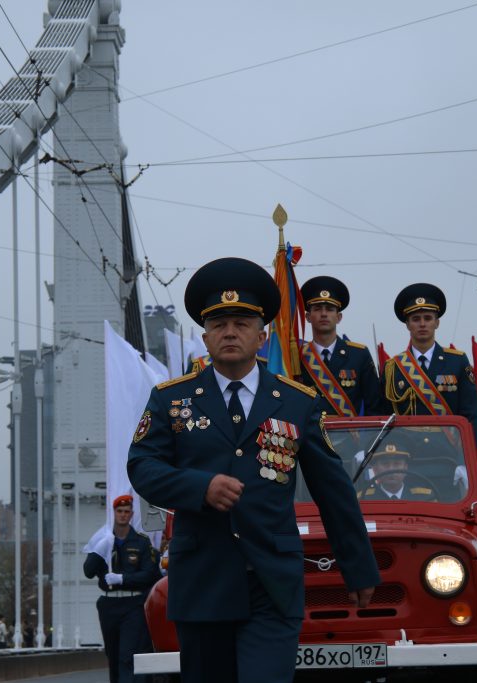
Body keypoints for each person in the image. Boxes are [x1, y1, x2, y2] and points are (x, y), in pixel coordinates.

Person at [128, 256, 380, 683]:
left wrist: (358, 567)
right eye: (219, 323)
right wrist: (198, 487)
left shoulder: (297, 401)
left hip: (272, 582)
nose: (230, 332)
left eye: (242, 323)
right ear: (205, 337)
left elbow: (333, 488)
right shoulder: (172, 399)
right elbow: (142, 466)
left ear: (262, 336)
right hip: (203, 582)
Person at [383, 283, 477, 439]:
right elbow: (386, 416)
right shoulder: (393, 367)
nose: (422, 324)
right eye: (415, 319)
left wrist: (466, 459)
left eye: (428, 318)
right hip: (406, 453)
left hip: (448, 452)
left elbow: (470, 414)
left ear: (437, 323)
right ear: (407, 324)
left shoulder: (457, 361)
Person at [83, 495, 160, 683]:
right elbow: (88, 571)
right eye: (119, 512)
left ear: (132, 515)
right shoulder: (103, 540)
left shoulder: (141, 542)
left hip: (132, 603)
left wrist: (123, 578)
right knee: (113, 655)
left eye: (126, 512)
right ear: (114, 513)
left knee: (128, 654)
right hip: (109, 604)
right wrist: (99, 550)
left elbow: (149, 574)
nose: (123, 515)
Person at [296, 276, 388, 416]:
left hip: (349, 437)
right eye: (317, 309)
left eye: (330, 309)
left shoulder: (359, 354)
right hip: (310, 436)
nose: (324, 314)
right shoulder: (298, 355)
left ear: (339, 317)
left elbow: (374, 406)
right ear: (308, 317)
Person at [358, 444, 433, 500]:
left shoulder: (425, 498)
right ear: (375, 469)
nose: (391, 469)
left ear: (405, 468)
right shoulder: (363, 499)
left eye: (397, 464)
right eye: (385, 464)